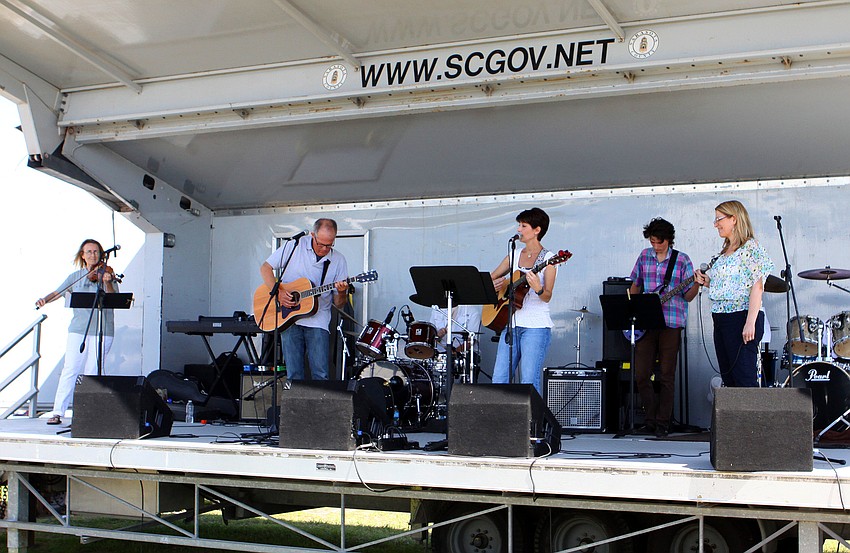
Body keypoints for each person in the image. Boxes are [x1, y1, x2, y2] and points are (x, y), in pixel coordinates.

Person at [35, 239, 118, 425]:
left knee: (93, 371)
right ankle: (58, 412)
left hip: (102, 330)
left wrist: (108, 282)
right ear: (82, 255)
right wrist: (44, 300)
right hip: (79, 329)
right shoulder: (76, 276)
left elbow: (114, 298)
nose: (93, 255)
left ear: (101, 254)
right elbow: (58, 292)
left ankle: (88, 412)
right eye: (88, 252)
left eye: (96, 252)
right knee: (70, 368)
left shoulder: (107, 274)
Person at [628, 218, 699, 437]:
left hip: (672, 322)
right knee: (641, 374)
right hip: (647, 322)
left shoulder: (682, 260)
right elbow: (636, 284)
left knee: (667, 375)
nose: (655, 246)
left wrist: (696, 283)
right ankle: (649, 419)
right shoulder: (644, 256)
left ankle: (662, 423)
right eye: (652, 241)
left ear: (669, 240)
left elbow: (688, 297)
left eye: (659, 242)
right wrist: (632, 309)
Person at [695, 201, 774, 387]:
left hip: (741, 317)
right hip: (721, 319)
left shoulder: (750, 247)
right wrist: (706, 282)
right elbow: (730, 285)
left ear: (734, 219)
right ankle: (733, 416)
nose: (715, 224)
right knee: (729, 380)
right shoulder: (724, 253)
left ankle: (750, 417)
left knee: (744, 379)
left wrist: (750, 322)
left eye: (719, 219)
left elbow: (757, 285)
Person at [260, 218, 348, 380]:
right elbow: (266, 268)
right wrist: (279, 292)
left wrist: (342, 292)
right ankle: (294, 405)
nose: (324, 249)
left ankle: (319, 406)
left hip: (318, 321)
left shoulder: (339, 260)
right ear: (312, 235)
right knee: (293, 374)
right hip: (289, 318)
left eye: (329, 245)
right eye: (320, 243)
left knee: (321, 374)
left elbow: (339, 304)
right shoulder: (294, 246)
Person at [490, 207, 557, 394]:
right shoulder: (514, 254)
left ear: (537, 230)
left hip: (535, 327)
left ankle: (531, 423)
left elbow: (547, 296)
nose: (519, 229)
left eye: (523, 225)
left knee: (529, 380)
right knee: (499, 379)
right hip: (510, 325)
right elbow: (492, 277)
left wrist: (538, 288)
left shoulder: (550, 259)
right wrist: (494, 286)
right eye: (519, 225)